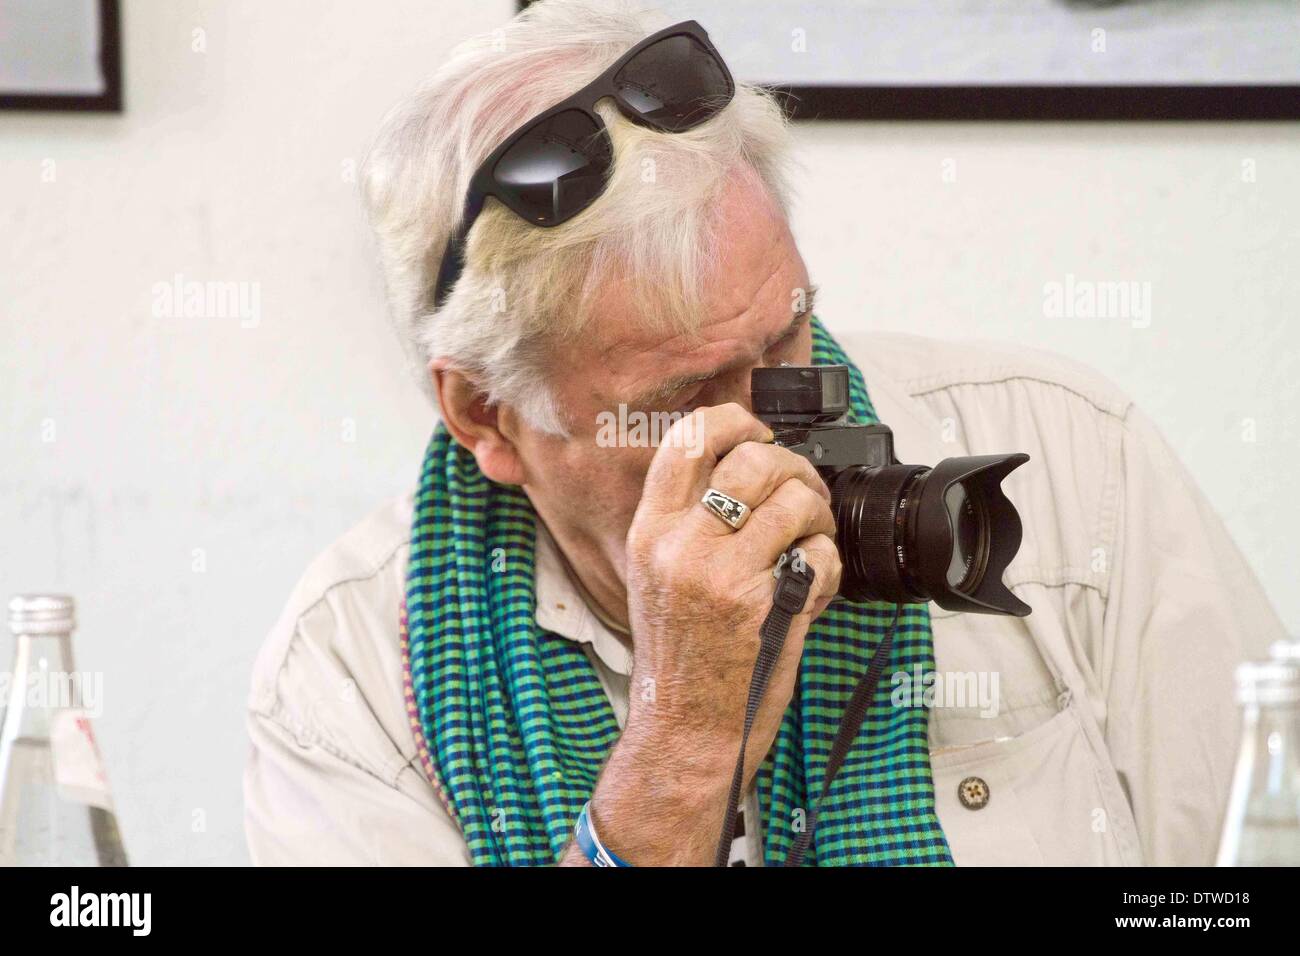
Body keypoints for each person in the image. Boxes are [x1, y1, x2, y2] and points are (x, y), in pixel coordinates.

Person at [243, 0, 1285, 866]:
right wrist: (683, 728)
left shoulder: (1066, 462)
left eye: (787, 332)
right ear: (486, 413)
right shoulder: (350, 676)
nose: (781, 424)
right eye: (692, 391)